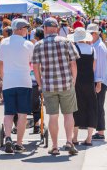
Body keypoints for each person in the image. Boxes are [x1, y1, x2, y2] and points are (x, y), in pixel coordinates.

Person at [32, 17, 80, 156]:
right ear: (57, 28)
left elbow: (35, 67)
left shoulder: (39, 45)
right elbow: (73, 64)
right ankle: (69, 142)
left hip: (49, 86)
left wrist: (40, 84)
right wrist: (73, 80)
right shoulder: (66, 42)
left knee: (53, 117)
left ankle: (54, 146)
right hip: (66, 84)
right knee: (68, 115)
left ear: (45, 29)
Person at [0, 19, 34, 153]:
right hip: (24, 81)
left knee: (9, 112)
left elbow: (0, 65)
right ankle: (19, 142)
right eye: (26, 28)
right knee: (22, 113)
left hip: (9, 82)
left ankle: (8, 137)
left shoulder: (4, 43)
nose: (27, 30)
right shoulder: (29, 44)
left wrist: (3, 78)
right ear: (18, 29)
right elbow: (33, 64)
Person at [67, 27, 97, 146]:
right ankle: (89, 138)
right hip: (89, 81)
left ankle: (75, 138)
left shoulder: (74, 48)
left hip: (77, 81)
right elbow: (93, 68)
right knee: (91, 107)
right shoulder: (92, 49)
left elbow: (72, 66)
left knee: (76, 107)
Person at [87, 24, 107, 140]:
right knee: (97, 105)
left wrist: (99, 82)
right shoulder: (96, 45)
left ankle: (101, 132)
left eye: (90, 34)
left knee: (99, 106)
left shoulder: (99, 47)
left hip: (100, 80)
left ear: (95, 34)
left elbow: (100, 67)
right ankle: (99, 130)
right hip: (99, 80)